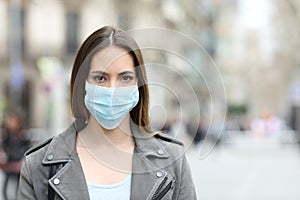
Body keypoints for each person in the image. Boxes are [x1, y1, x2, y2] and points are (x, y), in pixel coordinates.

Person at [18, 26, 197, 200]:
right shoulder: (38, 166)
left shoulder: (173, 161)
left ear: (139, 85)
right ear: (83, 84)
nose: (112, 89)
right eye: (101, 78)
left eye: (125, 78)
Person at [0, 112, 31, 200]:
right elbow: (4, 148)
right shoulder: (6, 136)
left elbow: (27, 149)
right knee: (5, 189)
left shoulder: (23, 136)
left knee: (19, 188)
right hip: (9, 165)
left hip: (18, 166)